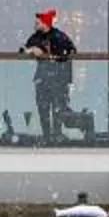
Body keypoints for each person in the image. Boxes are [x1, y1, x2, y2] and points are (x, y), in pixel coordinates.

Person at [22, 9, 77, 140]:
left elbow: (71, 51)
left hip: (58, 79)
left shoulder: (59, 36)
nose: (35, 25)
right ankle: (47, 135)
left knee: (58, 108)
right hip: (43, 79)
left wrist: (51, 55)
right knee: (43, 108)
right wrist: (30, 51)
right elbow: (23, 50)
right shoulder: (35, 37)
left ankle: (56, 135)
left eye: (38, 22)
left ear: (45, 23)